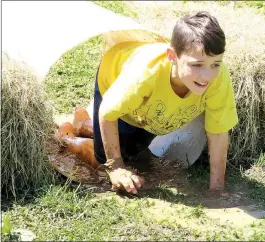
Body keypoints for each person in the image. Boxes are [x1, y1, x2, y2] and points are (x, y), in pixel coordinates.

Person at [59, 11, 238, 195]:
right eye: (196, 65)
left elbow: (218, 132)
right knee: (101, 163)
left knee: (134, 153)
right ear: (172, 57)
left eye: (216, 64)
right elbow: (107, 112)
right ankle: (69, 138)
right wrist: (115, 167)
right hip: (115, 78)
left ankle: (87, 124)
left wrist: (217, 188)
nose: (208, 75)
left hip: (148, 108)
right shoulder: (145, 75)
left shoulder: (218, 78)